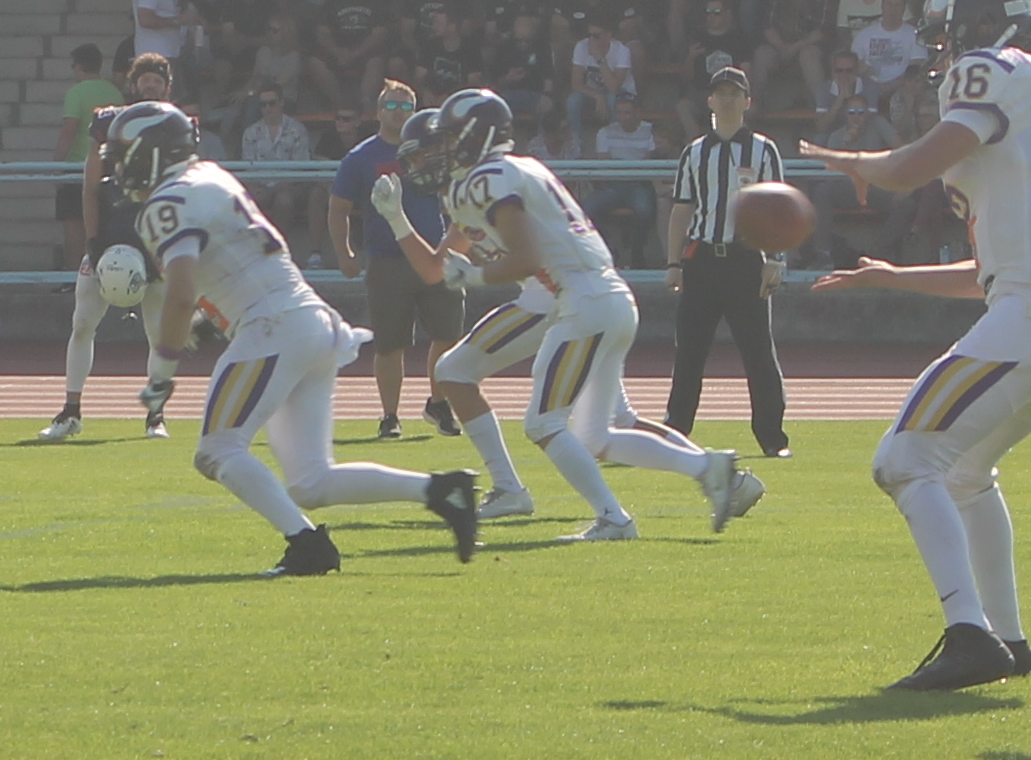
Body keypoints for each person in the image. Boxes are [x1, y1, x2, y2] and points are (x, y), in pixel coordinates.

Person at [802, 0, 1031, 691]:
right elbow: (985, 271)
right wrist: (890, 276)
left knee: (903, 460)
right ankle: (1008, 639)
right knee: (966, 473)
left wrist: (853, 161)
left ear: (973, 27)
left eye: (945, 34)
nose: (941, 52)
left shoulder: (990, 70)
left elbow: (909, 168)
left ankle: (968, 635)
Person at [106, 102, 474, 573]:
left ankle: (307, 546)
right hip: (308, 320)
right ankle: (441, 491)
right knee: (310, 482)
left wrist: (161, 371)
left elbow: (180, 294)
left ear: (151, 152)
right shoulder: (214, 177)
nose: (119, 164)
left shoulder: (168, 201)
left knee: (217, 450)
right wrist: (208, 319)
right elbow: (236, 265)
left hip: (272, 327)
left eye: (124, 153)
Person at [399, 91, 752, 542]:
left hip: (581, 302)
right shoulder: (524, 167)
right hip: (605, 295)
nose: (445, 148)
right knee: (596, 435)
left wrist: (477, 274)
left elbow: (525, 258)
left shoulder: (489, 177)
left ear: (474, 135)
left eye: (450, 137)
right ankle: (708, 466)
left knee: (544, 424)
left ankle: (615, 519)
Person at [664, 68, 792, 457]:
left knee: (758, 353)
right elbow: (682, 209)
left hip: (745, 259)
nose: (727, 100)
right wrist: (673, 262)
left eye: (734, 94)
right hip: (703, 259)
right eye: (720, 94)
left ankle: (772, 437)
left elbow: (780, 209)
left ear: (747, 101)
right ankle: (676, 434)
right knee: (689, 352)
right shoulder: (695, 152)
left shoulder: (763, 150)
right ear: (710, 101)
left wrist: (776, 259)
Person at [324, 84, 440, 439]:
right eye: (391, 105)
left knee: (449, 334)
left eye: (406, 105)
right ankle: (390, 416)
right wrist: (345, 252)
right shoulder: (361, 157)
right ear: (377, 112)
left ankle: (440, 403)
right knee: (390, 344)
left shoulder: (432, 151)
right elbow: (338, 208)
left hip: (435, 255)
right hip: (387, 258)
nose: (399, 111)